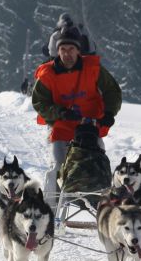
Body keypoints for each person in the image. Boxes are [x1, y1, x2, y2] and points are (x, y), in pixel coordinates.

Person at [32, 26, 121, 203]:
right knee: (58, 166)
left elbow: (112, 90)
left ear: (79, 51)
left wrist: (110, 113)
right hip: (61, 126)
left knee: (98, 163)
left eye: (71, 49)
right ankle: (49, 210)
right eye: (63, 49)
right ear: (57, 52)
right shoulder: (48, 74)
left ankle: (103, 209)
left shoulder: (93, 68)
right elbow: (39, 102)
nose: (67, 54)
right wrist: (60, 112)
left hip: (90, 126)